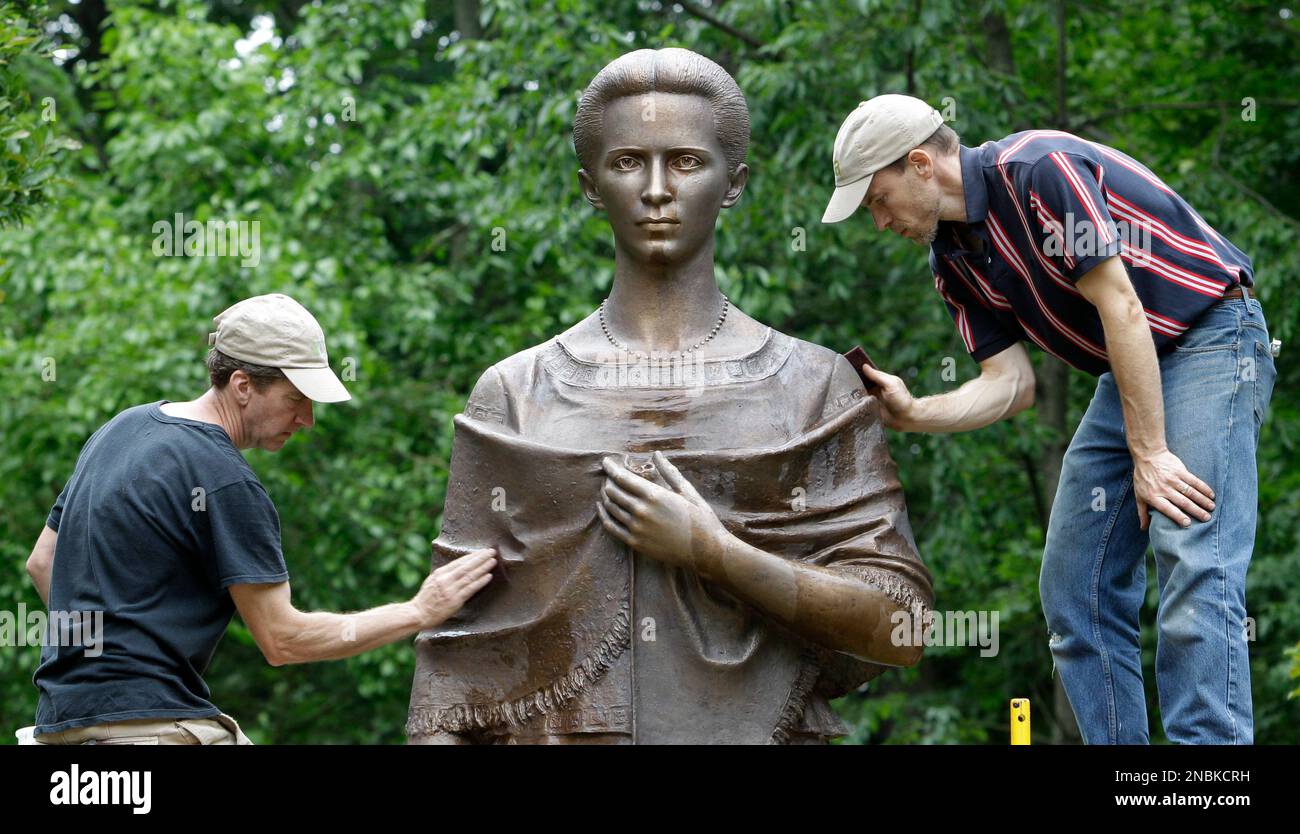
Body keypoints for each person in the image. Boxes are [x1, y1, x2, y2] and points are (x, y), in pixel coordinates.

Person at [405, 48, 933, 745]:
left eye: (685, 161)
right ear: (592, 185)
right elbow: (450, 667)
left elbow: (905, 626)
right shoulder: (517, 392)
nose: (657, 188)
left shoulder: (811, 386)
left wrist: (717, 554)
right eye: (628, 162)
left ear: (734, 182)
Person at [822, 94, 1276, 744]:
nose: (878, 221)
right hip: (1129, 373)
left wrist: (1149, 454)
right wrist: (914, 413)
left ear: (919, 164)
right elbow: (1012, 385)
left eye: (877, 199)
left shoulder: (1038, 169)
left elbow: (1121, 305)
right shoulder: (951, 260)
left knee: (1190, 552)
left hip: (1210, 335)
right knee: (1072, 590)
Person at [25, 293, 496, 745]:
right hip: (150, 728)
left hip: (60, 723)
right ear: (243, 386)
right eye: (296, 399)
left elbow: (43, 563)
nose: (307, 419)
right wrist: (418, 611)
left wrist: (101, 665)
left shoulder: (120, 430)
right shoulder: (226, 481)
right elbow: (282, 640)